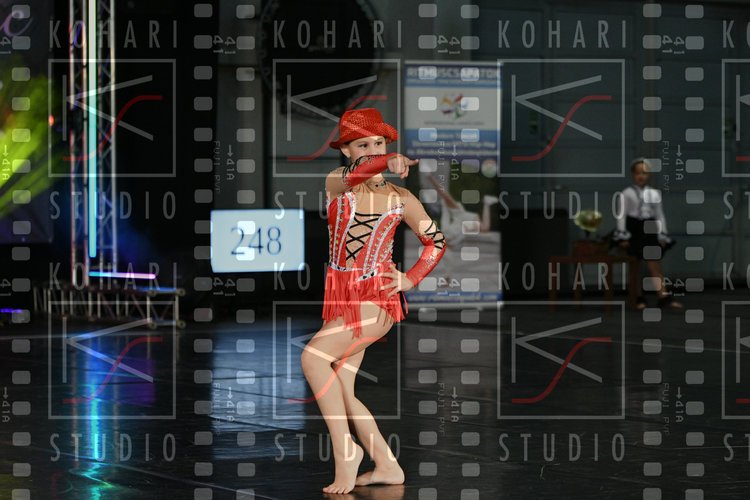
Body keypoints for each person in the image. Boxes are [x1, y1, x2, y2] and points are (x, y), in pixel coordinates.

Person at [300, 107, 447, 494]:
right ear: (346, 151)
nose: (372, 150)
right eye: (362, 144)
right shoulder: (338, 183)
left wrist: (410, 278)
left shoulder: (402, 199)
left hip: (376, 300)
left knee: (313, 359)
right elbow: (363, 171)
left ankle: (346, 451)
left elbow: (436, 242)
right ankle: (386, 464)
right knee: (342, 388)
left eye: (379, 143)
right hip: (341, 297)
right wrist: (388, 159)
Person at [613, 157, 682, 309]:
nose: (641, 176)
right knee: (635, 265)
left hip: (650, 227)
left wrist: (662, 234)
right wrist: (622, 235)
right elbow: (621, 215)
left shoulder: (655, 194)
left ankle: (663, 296)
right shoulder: (626, 193)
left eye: (644, 173)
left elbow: (659, 215)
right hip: (634, 228)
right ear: (633, 174)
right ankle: (637, 297)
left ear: (649, 175)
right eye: (637, 173)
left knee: (654, 264)